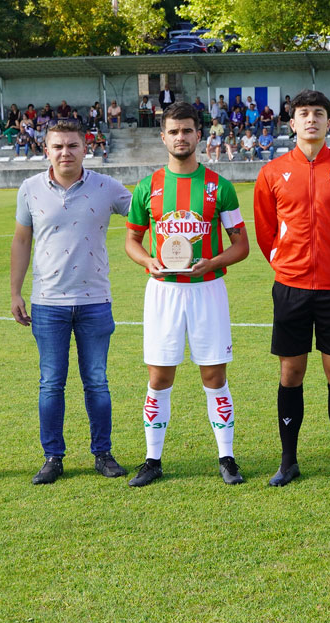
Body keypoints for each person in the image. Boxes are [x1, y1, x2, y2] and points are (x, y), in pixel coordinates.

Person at [252, 90, 330, 487]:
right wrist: (286, 261)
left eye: (318, 113)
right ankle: (288, 461)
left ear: (328, 122)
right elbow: (265, 230)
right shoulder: (272, 172)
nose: (311, 120)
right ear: (292, 123)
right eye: (303, 114)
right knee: (291, 371)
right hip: (290, 286)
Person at [123, 101, 250, 487]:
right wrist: (148, 261)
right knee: (159, 376)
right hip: (163, 292)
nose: (181, 137)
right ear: (163, 137)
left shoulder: (219, 187)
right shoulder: (148, 187)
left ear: (200, 135)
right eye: (174, 131)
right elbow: (132, 240)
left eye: (188, 130)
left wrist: (211, 263)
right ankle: (152, 459)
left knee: (213, 374)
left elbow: (241, 245)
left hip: (207, 290)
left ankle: (226, 457)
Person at [10, 121, 133, 485]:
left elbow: (144, 212)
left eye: (72, 145)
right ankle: (52, 456)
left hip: (95, 301)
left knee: (96, 381)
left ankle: (103, 453)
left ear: (85, 148)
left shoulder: (106, 187)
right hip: (48, 304)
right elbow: (21, 242)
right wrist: (15, 292)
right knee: (51, 383)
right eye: (58, 146)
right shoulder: (30, 189)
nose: (65, 152)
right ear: (45, 150)